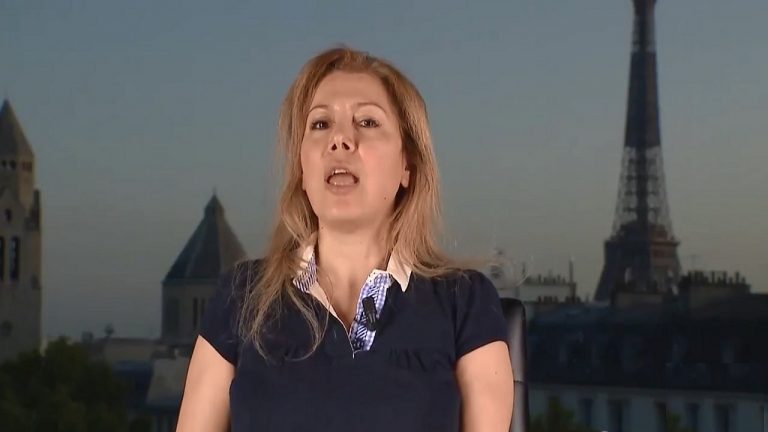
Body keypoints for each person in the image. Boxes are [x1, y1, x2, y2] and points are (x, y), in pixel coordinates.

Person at [176, 46, 514, 432]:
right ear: (302, 169)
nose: (340, 139)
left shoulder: (464, 303)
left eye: (367, 122)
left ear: (407, 164)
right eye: (320, 124)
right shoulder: (241, 297)